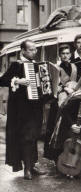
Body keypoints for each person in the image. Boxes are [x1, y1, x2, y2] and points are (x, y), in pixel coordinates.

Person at [0, 40, 46, 180]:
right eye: (31, 49)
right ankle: (27, 168)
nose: (34, 52)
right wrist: (18, 81)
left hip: (36, 107)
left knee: (34, 136)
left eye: (35, 49)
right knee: (27, 137)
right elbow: (2, 81)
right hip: (21, 109)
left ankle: (32, 165)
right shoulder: (16, 64)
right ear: (23, 51)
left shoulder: (37, 65)